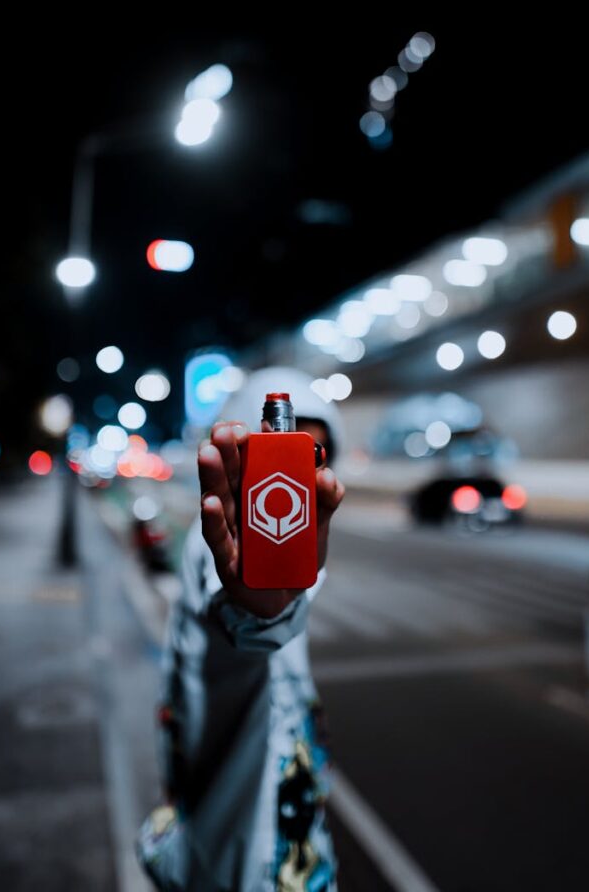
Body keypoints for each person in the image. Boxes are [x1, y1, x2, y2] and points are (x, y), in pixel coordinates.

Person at [137, 367, 346, 891]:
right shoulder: (215, 552)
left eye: (311, 458)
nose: (300, 478)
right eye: (281, 454)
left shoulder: (297, 564)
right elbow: (242, 623)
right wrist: (260, 607)